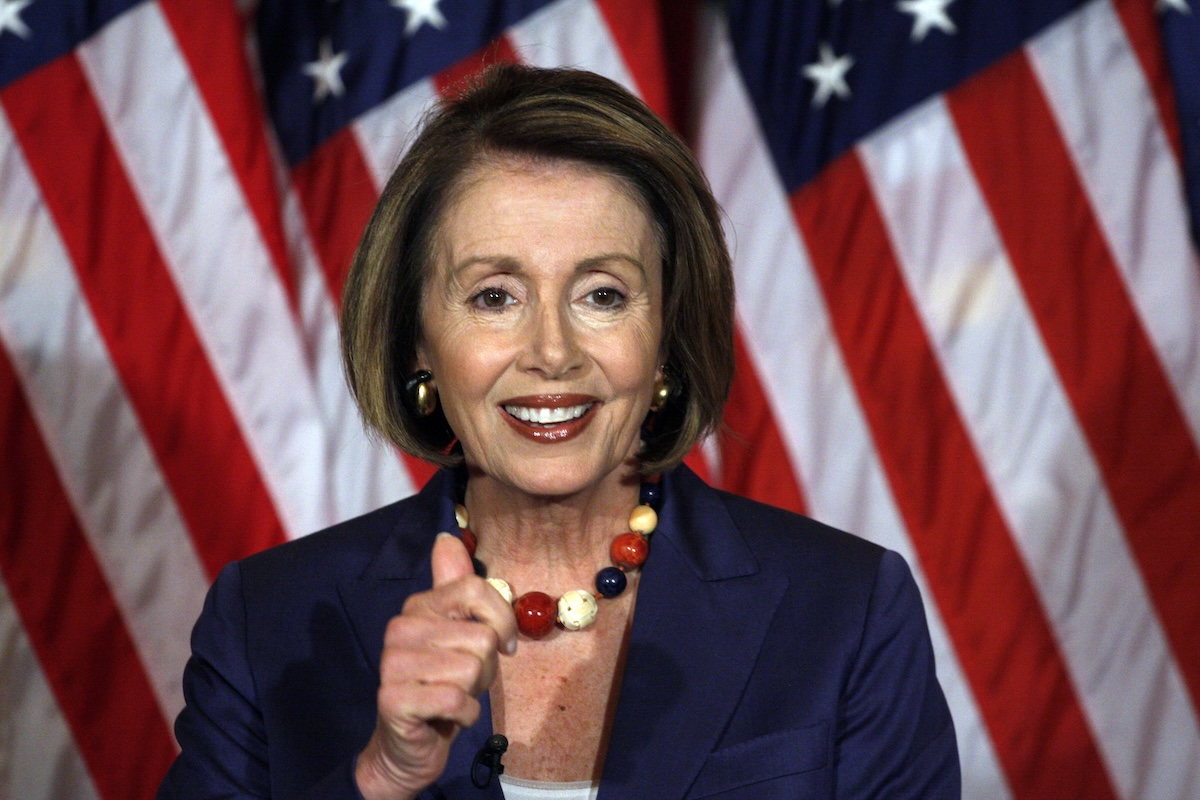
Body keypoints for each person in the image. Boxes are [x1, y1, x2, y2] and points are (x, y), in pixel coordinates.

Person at [158, 64, 959, 799]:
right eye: (494, 296)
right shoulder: (269, 619)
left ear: (668, 334)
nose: (552, 352)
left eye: (603, 295)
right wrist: (381, 777)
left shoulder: (845, 611)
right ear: (417, 340)